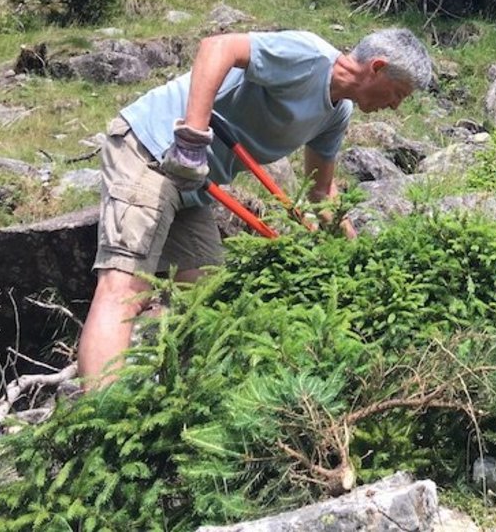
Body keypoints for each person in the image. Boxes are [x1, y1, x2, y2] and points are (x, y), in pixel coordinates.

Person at [76, 27, 433, 387]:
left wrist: (357, 258)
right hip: (151, 148)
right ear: (377, 67)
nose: (397, 105)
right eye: (399, 93)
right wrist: (192, 137)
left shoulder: (336, 115)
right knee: (124, 289)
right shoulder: (309, 57)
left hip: (195, 185)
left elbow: (322, 193)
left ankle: (171, 407)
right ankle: (99, 419)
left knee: (206, 298)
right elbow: (217, 47)